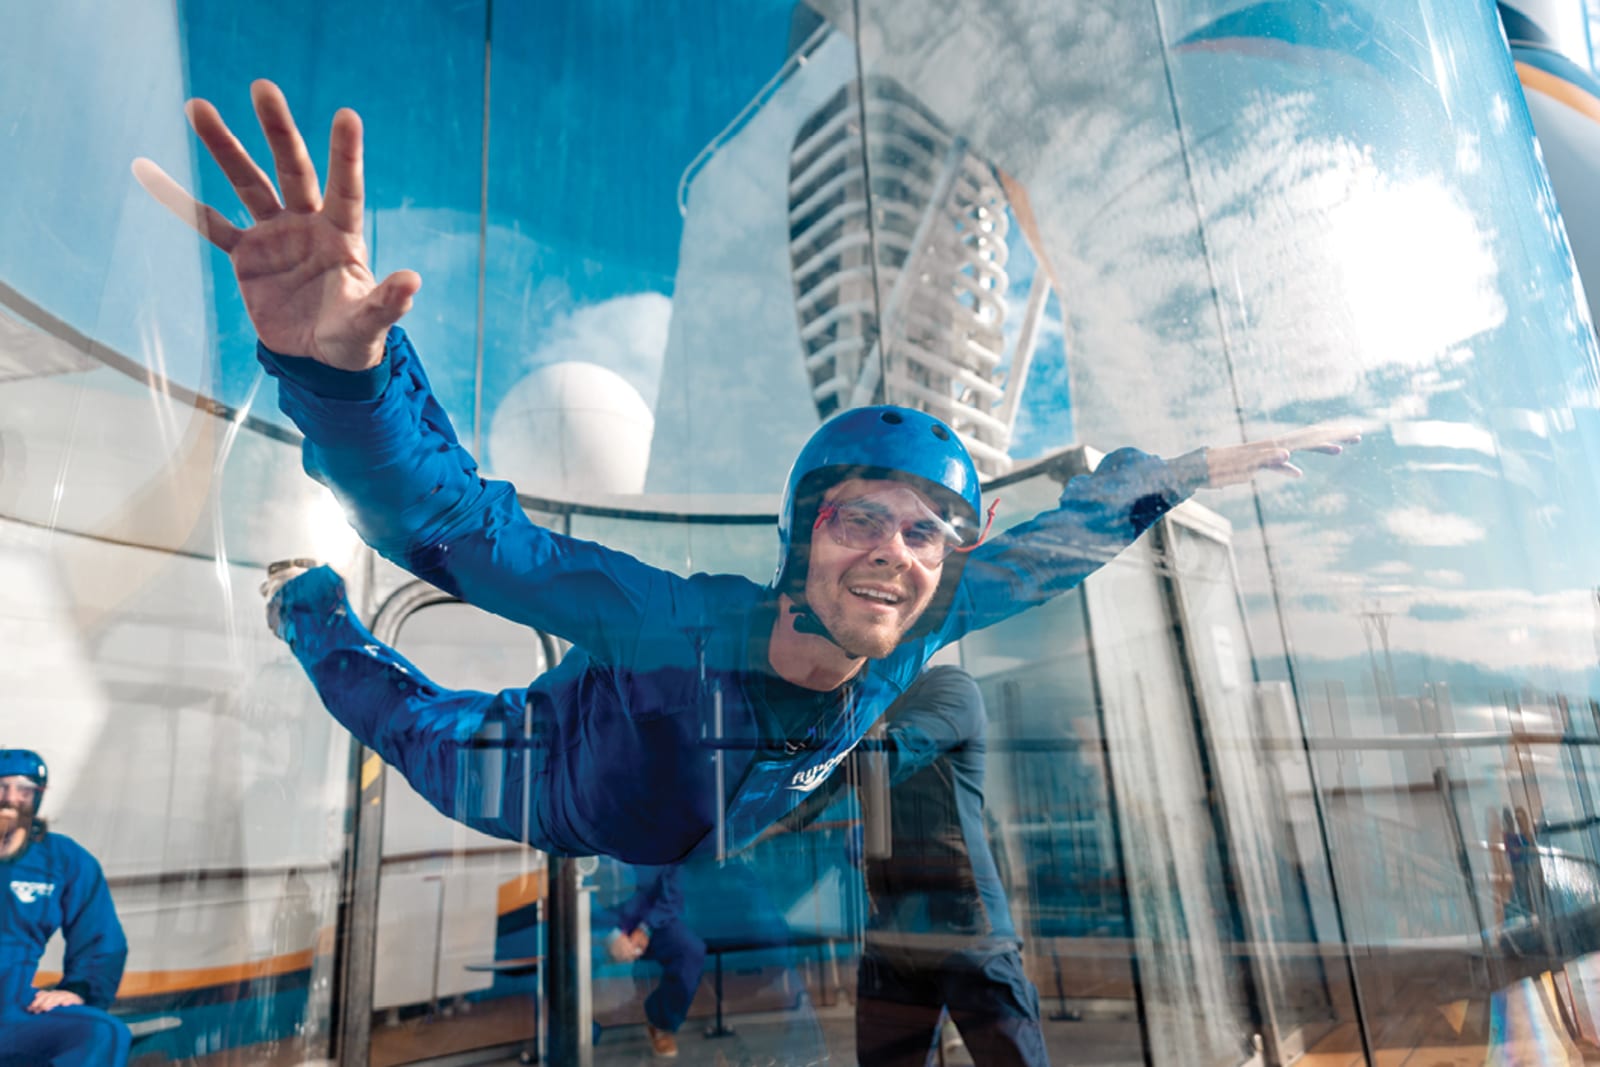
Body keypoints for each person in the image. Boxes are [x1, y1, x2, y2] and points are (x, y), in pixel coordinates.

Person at [136, 80, 1353, 869]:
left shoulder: (929, 619)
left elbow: (1051, 548)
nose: (893, 548)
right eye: (859, 517)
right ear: (799, 540)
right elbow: (454, 523)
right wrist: (342, 376)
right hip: (561, 779)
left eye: (928, 532)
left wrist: (1170, 473)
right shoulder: (669, 621)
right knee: (401, 723)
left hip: (710, 824)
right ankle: (306, 611)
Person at [778, 666, 1049, 1065]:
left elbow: (887, 757)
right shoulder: (861, 712)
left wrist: (824, 740)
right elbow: (802, 804)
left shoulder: (948, 688)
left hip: (965, 925)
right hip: (890, 929)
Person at [0, 750, 132, 1067]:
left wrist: (78, 989)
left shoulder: (61, 859)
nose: (10, 798)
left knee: (105, 1033)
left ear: (38, 796)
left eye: (24, 790)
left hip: (12, 1011)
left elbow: (101, 937)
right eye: (1, 787)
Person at [602, 865, 704, 1058]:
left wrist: (646, 927)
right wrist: (610, 934)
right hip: (595, 923)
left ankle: (661, 1022)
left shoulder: (662, 838)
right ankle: (576, 1036)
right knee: (566, 957)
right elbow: (577, 890)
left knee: (690, 951)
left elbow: (671, 893)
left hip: (648, 922)